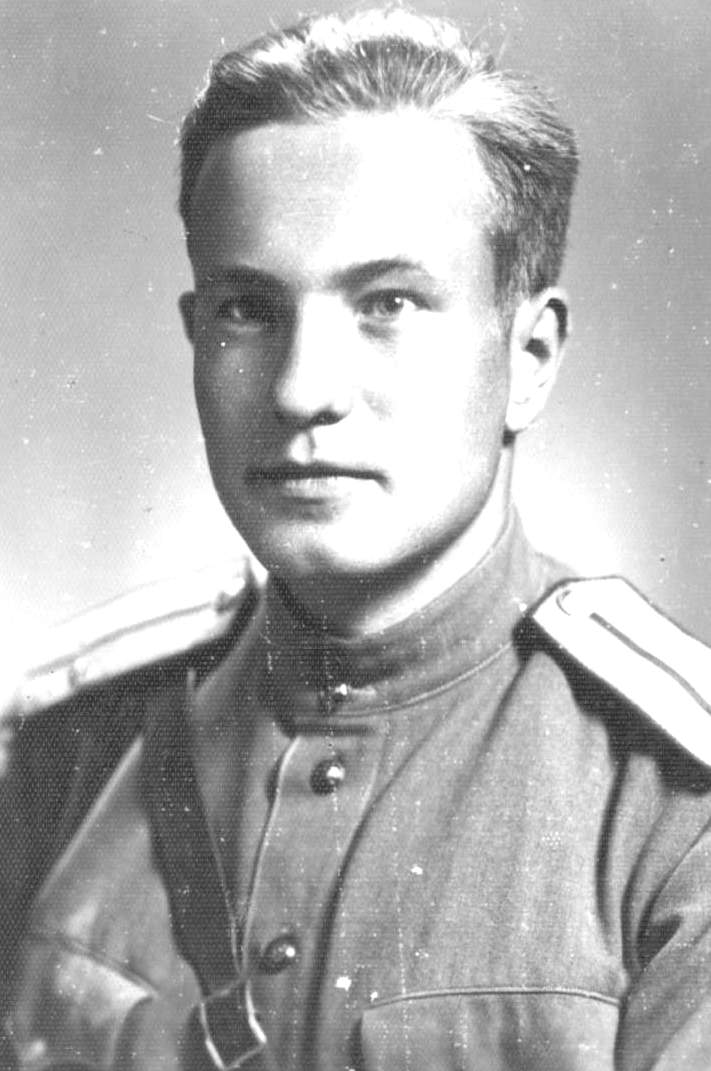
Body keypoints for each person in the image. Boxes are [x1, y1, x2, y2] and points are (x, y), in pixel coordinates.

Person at [2, 8, 711, 1069]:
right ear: (195, 339)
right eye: (249, 310)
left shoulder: (673, 810)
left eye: (387, 303)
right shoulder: (67, 749)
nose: (301, 390)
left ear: (529, 359)